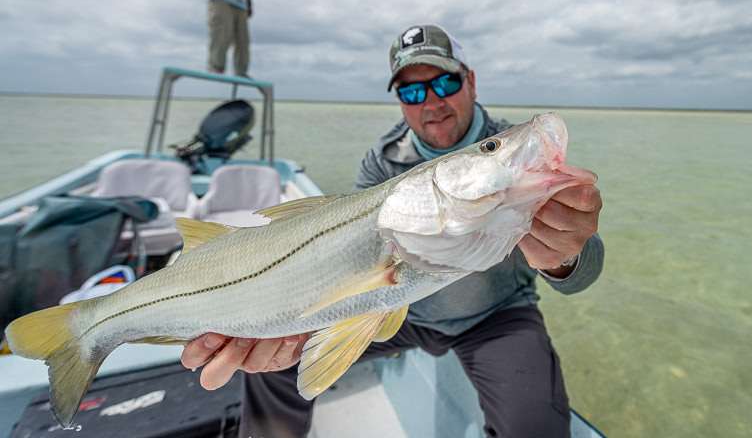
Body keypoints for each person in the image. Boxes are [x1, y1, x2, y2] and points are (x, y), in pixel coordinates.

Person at [181, 25, 605, 437]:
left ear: (471, 81)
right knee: (273, 361)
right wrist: (288, 309)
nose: (431, 102)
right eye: (412, 91)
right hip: (400, 309)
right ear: (401, 101)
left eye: (445, 83)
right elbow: (354, 260)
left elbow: (584, 273)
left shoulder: (512, 151)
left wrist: (564, 258)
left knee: (536, 426)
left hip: (495, 316)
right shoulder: (381, 161)